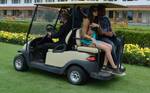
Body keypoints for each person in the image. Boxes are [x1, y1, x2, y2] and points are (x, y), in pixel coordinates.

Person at [81, 6, 122, 74]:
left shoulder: (96, 19)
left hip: (94, 40)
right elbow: (83, 35)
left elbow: (99, 31)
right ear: (92, 12)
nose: (98, 12)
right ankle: (114, 67)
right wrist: (91, 38)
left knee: (110, 46)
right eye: (96, 11)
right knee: (107, 48)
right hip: (87, 42)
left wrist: (97, 26)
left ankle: (104, 67)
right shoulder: (86, 20)